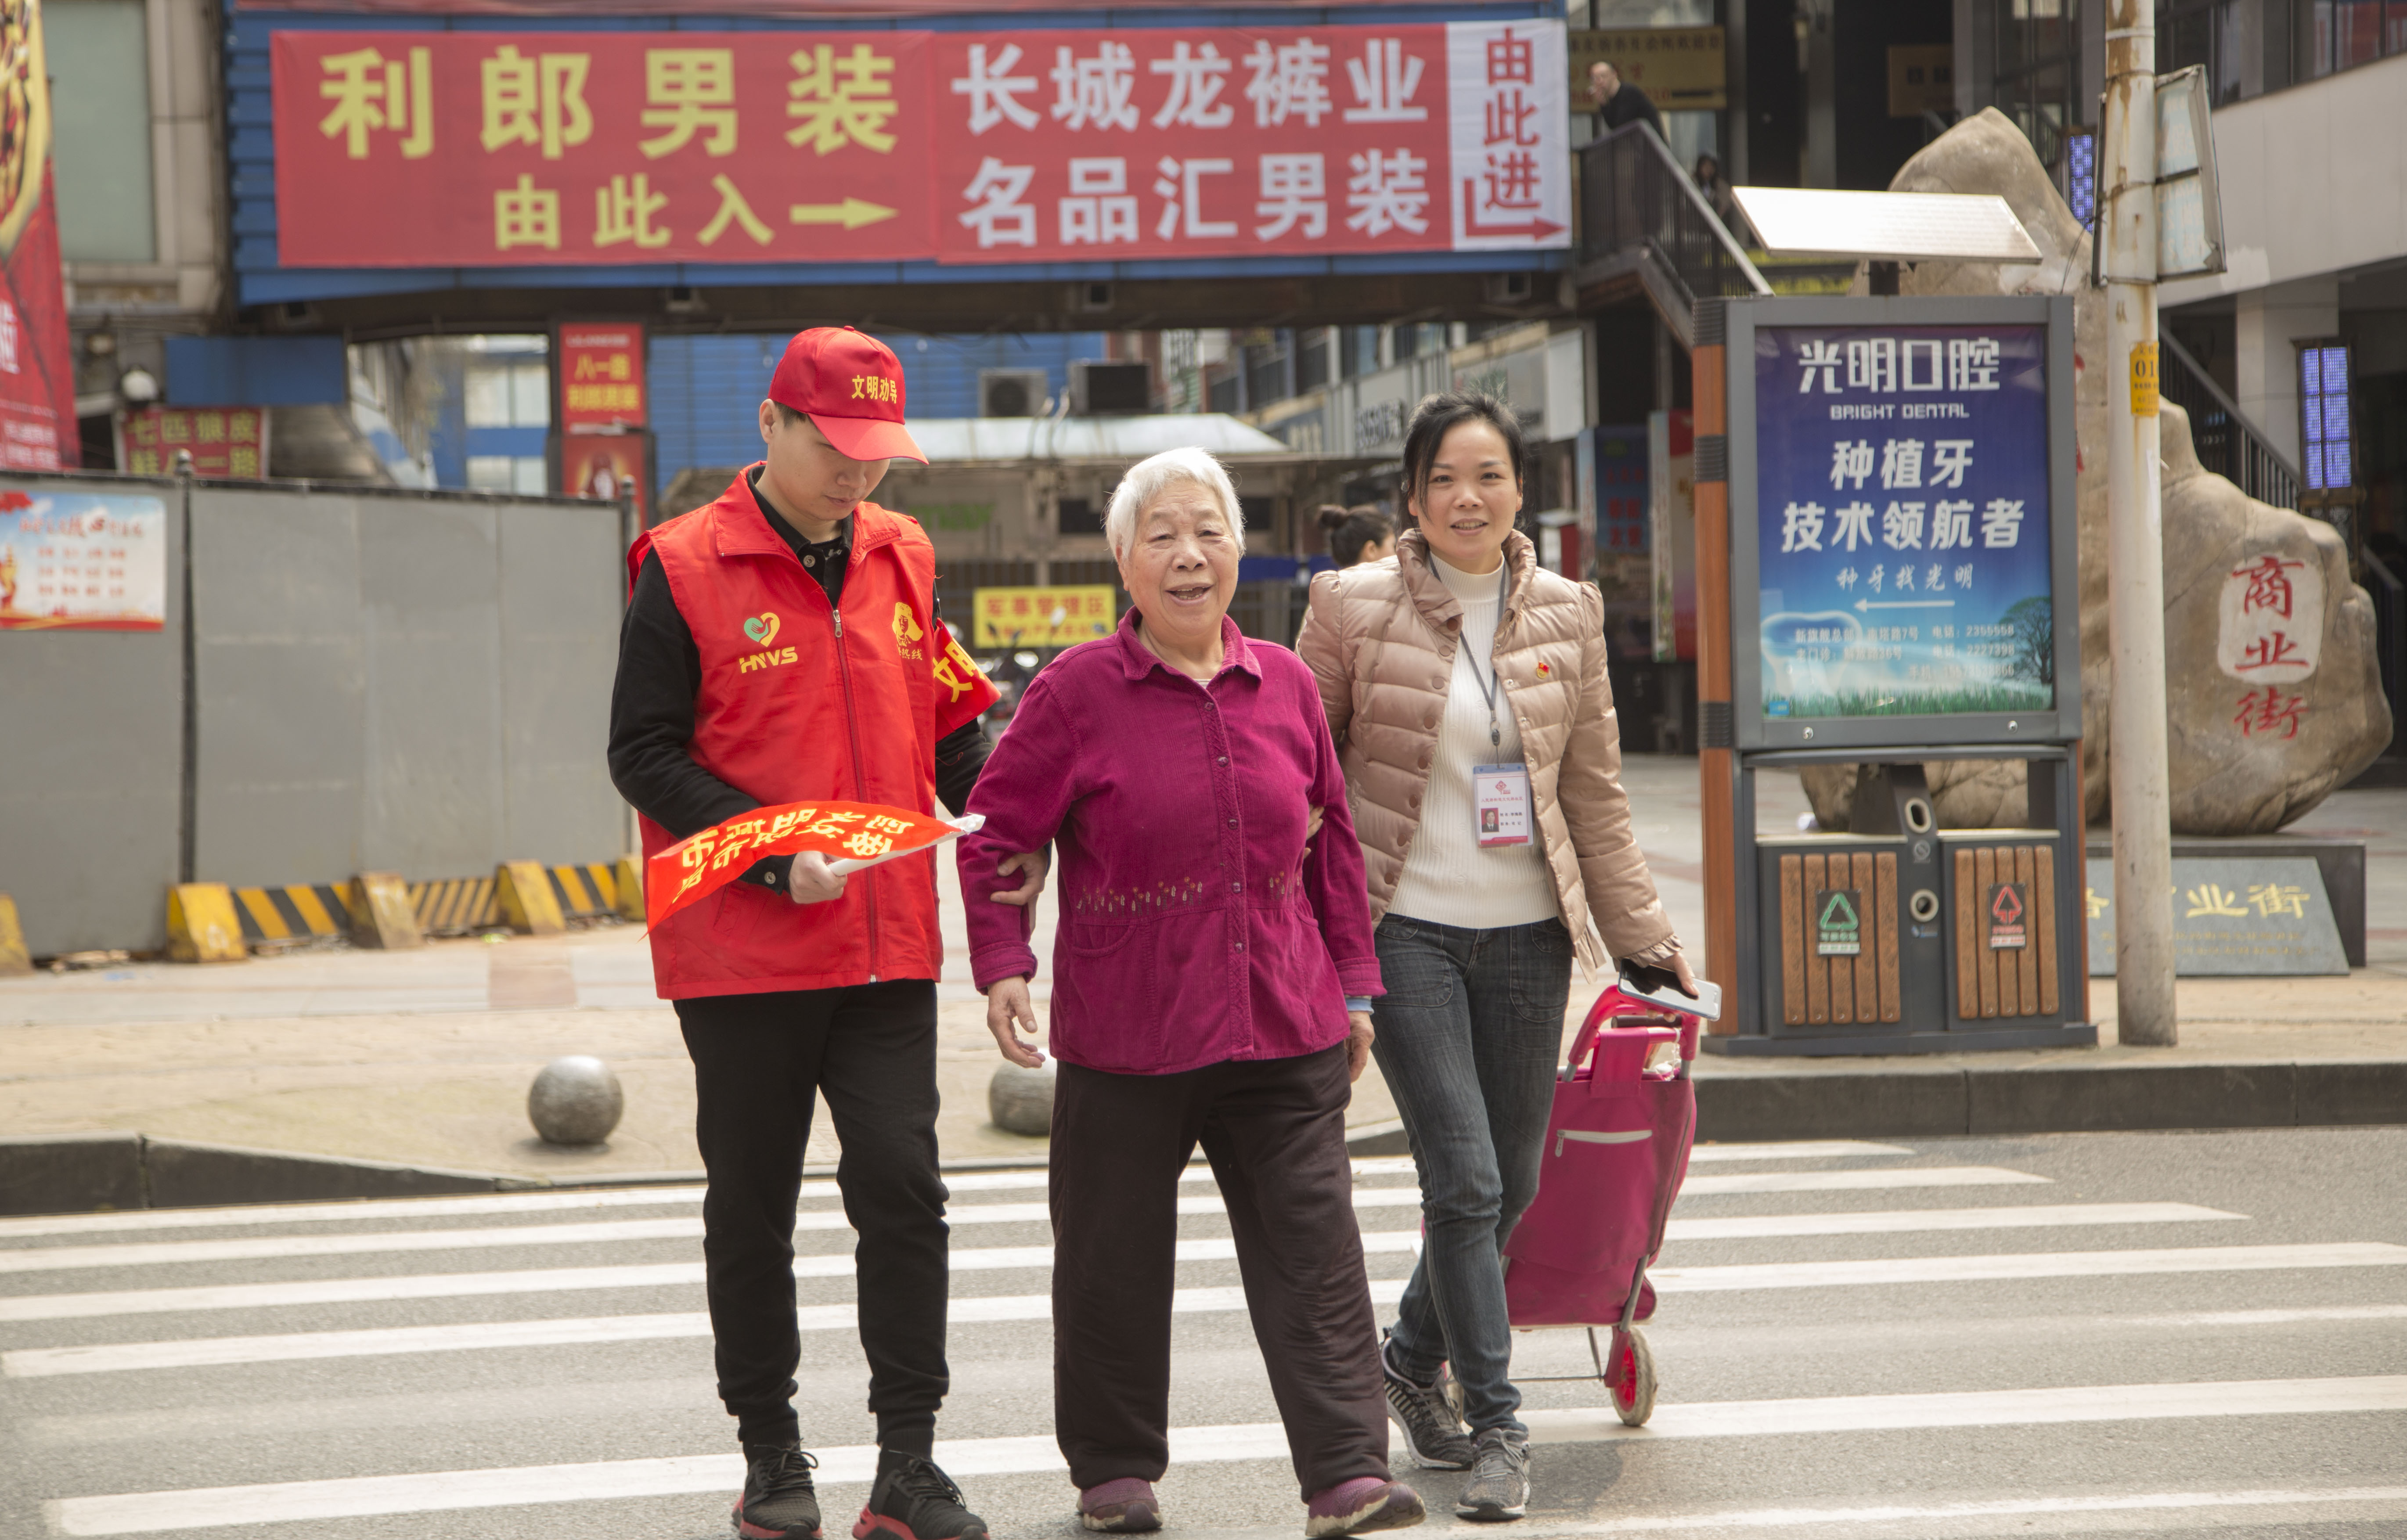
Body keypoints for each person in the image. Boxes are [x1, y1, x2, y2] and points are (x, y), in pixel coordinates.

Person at [608, 325, 1047, 1540]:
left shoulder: (902, 555)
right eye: (836, 446)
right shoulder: (682, 565)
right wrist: (765, 849)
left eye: (876, 451)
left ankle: (909, 1461)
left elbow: (948, 714)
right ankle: (771, 1453)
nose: (860, 473)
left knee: (904, 1189)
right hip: (744, 958)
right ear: (771, 424)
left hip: (885, 943)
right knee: (752, 1200)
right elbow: (640, 753)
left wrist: (992, 799)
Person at [960, 447, 1426, 1540]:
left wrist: (1356, 986)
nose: (1188, 554)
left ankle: (1347, 1476)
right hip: (1130, 1031)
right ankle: (1115, 1474)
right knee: (1111, 1262)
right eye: (1161, 533)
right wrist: (1002, 963)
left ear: (1236, 551)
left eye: (1208, 530)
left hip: (1285, 1019)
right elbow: (994, 838)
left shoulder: (1289, 682)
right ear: (1123, 559)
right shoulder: (1074, 693)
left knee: (1316, 1257)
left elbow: (1334, 855)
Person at [1294, 393, 1695, 1524]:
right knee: (1464, 1178)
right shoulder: (1350, 606)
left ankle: (1408, 1358)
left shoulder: (1570, 612)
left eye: (1489, 475)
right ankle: (1499, 1427)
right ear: (1411, 498)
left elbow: (1594, 797)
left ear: (1521, 487)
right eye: (1443, 480)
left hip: (1528, 939)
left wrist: (1643, 938)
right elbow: (1303, 777)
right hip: (1403, 931)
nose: (1467, 498)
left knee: (1510, 1185)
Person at [1585, 60, 1662, 140]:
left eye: (1603, 76)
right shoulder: (1611, 99)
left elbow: (1621, 126)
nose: (1600, 81)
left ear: (1614, 75)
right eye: (1595, 78)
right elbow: (1613, 126)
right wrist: (1603, 105)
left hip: (1651, 145)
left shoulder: (1628, 92)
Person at [1319, 503, 1398, 570]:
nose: (1397, 554)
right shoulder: (1394, 586)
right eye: (1393, 547)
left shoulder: (1334, 586)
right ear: (1371, 550)